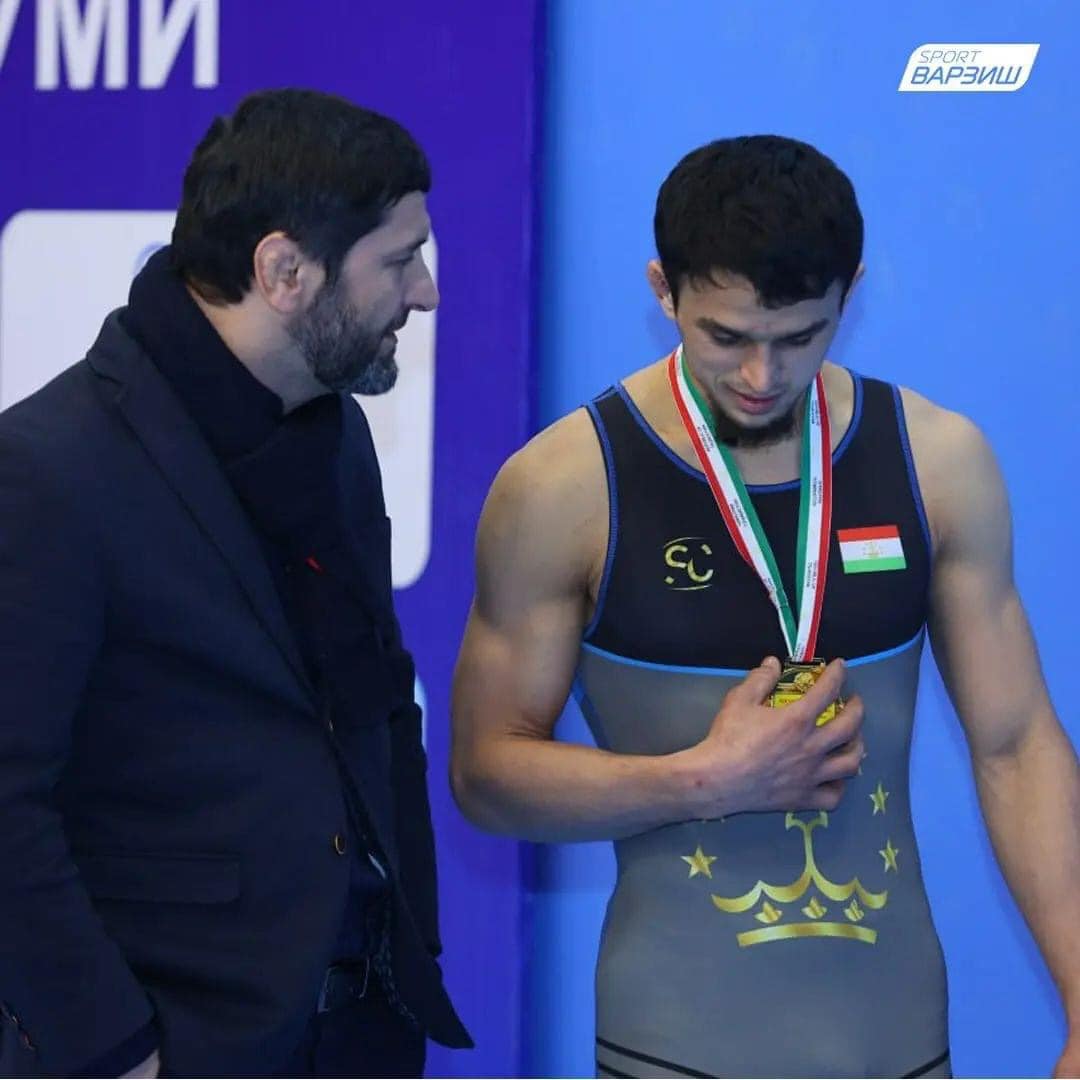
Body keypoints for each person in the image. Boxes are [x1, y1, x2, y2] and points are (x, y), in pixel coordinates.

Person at [451, 135, 1080, 1078]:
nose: (761, 376)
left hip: (902, 1047)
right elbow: (484, 774)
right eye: (727, 338)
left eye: (798, 339)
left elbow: (1017, 742)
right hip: (672, 1049)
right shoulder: (564, 487)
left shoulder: (938, 464)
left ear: (850, 294)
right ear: (663, 291)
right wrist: (704, 781)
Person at [0, 88, 470, 1077]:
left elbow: (381, 711)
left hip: (360, 1036)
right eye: (400, 260)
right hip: (174, 1042)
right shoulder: (49, 470)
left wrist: (411, 948)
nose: (426, 293)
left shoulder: (336, 436)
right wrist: (113, 1050)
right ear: (284, 271)